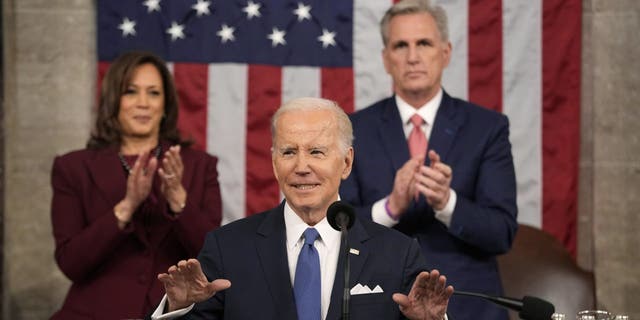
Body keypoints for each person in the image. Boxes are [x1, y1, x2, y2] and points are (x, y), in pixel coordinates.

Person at [149, 97, 453, 320]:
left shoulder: (398, 254)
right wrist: (177, 311)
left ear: (346, 162)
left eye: (316, 152)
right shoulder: (227, 248)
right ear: (273, 161)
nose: (301, 167)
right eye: (289, 152)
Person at [338, 0, 518, 319]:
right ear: (385, 59)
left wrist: (447, 202)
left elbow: (501, 232)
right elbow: (335, 231)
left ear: (445, 52)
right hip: (377, 303)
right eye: (400, 45)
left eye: (423, 43)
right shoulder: (353, 129)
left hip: (466, 305)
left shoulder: (487, 128)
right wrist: (390, 207)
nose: (412, 57)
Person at [50, 51, 222, 319]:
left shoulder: (201, 166)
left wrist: (178, 200)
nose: (143, 103)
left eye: (153, 93)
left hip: (175, 314)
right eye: (131, 92)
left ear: (165, 104)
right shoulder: (72, 168)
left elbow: (214, 257)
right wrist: (126, 207)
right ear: (113, 100)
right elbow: (71, 263)